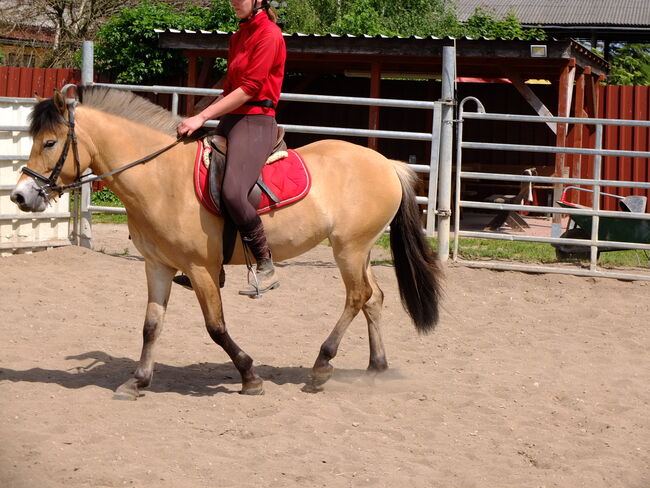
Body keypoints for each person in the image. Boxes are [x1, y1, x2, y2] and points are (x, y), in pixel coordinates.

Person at [177, 0, 286, 297]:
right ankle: (214, 264)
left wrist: (202, 117)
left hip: (256, 122)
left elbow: (250, 88)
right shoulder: (238, 35)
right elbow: (230, 90)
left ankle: (266, 265)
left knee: (233, 193)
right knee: (199, 176)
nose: (234, 2)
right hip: (232, 119)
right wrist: (201, 114)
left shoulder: (269, 34)